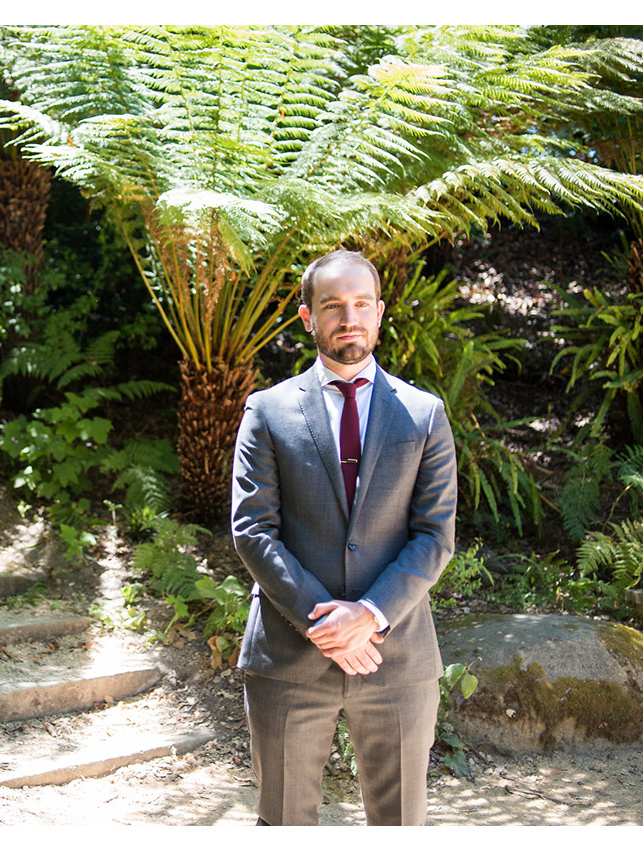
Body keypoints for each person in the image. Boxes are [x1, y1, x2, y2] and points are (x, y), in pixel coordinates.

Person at [230, 249, 457, 826]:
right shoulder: (267, 411)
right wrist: (325, 623)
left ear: (380, 313)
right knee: (283, 823)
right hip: (287, 657)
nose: (348, 318)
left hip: (396, 657)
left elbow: (435, 535)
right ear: (307, 316)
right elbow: (253, 529)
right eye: (332, 305)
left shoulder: (425, 414)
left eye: (360, 304)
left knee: (400, 823)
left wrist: (370, 614)